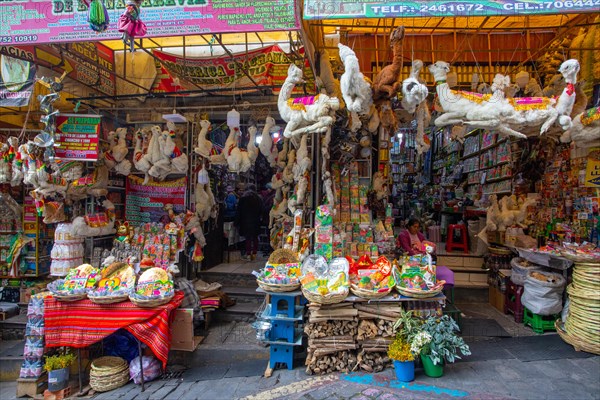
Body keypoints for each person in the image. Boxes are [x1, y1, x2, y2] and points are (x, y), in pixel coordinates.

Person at [235, 184, 263, 261]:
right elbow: (261, 210)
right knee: (255, 237)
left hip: (245, 221)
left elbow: (239, 211)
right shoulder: (258, 199)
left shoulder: (243, 199)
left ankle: (248, 254)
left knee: (248, 238)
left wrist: (236, 222)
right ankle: (254, 254)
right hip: (256, 221)